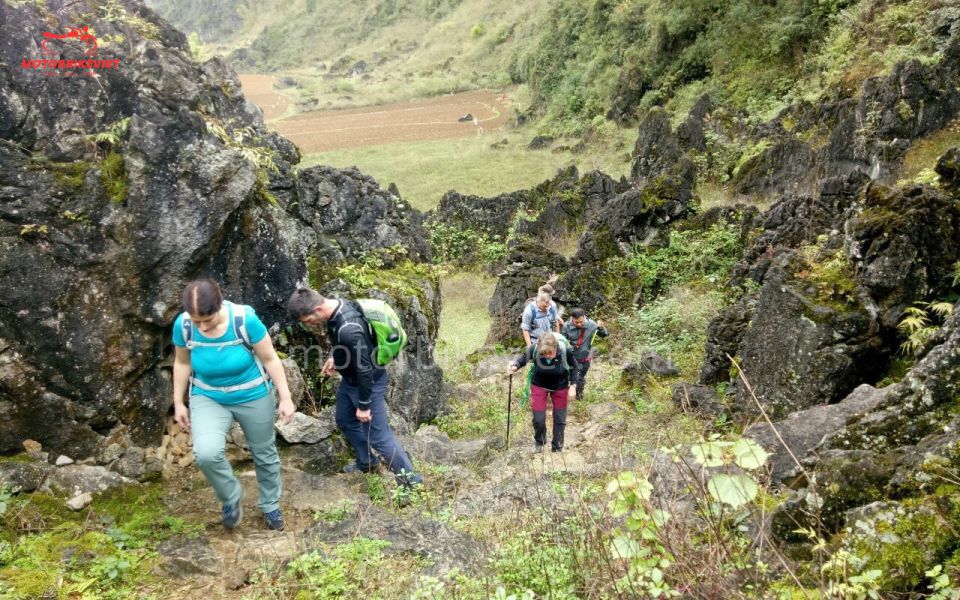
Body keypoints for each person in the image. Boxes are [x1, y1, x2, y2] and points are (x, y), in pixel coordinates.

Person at [172, 279, 295, 531]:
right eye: (198, 322)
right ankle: (231, 496)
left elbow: (270, 358)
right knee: (206, 453)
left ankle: (270, 505)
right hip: (208, 396)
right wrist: (178, 402)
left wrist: (285, 397)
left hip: (253, 394)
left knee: (264, 453)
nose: (203, 327)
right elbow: (182, 362)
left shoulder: (244, 320)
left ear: (220, 305)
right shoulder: (183, 325)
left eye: (209, 319)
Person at [287, 288, 423, 493]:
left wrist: (364, 406)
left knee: (379, 437)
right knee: (344, 420)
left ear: (317, 308)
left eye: (307, 320)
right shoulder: (337, 306)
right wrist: (335, 356)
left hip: (366, 384)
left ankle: (412, 483)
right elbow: (351, 343)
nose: (308, 325)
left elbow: (365, 370)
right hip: (350, 381)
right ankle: (367, 462)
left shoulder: (348, 329)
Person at [507, 332, 576, 452]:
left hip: (560, 386)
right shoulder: (534, 348)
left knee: (560, 418)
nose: (547, 356)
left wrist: (573, 386)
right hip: (539, 385)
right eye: (543, 354)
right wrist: (515, 366)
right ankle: (540, 441)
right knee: (538, 419)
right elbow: (523, 358)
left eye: (550, 353)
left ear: (556, 348)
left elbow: (574, 366)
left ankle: (557, 446)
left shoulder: (565, 350)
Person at [560, 308, 608, 399]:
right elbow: (562, 342)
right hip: (571, 357)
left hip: (585, 357)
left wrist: (601, 328)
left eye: (581, 322)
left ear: (584, 317)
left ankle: (579, 397)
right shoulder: (566, 326)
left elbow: (604, 335)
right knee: (568, 377)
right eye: (576, 322)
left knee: (580, 378)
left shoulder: (592, 324)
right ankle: (564, 396)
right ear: (572, 318)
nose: (579, 324)